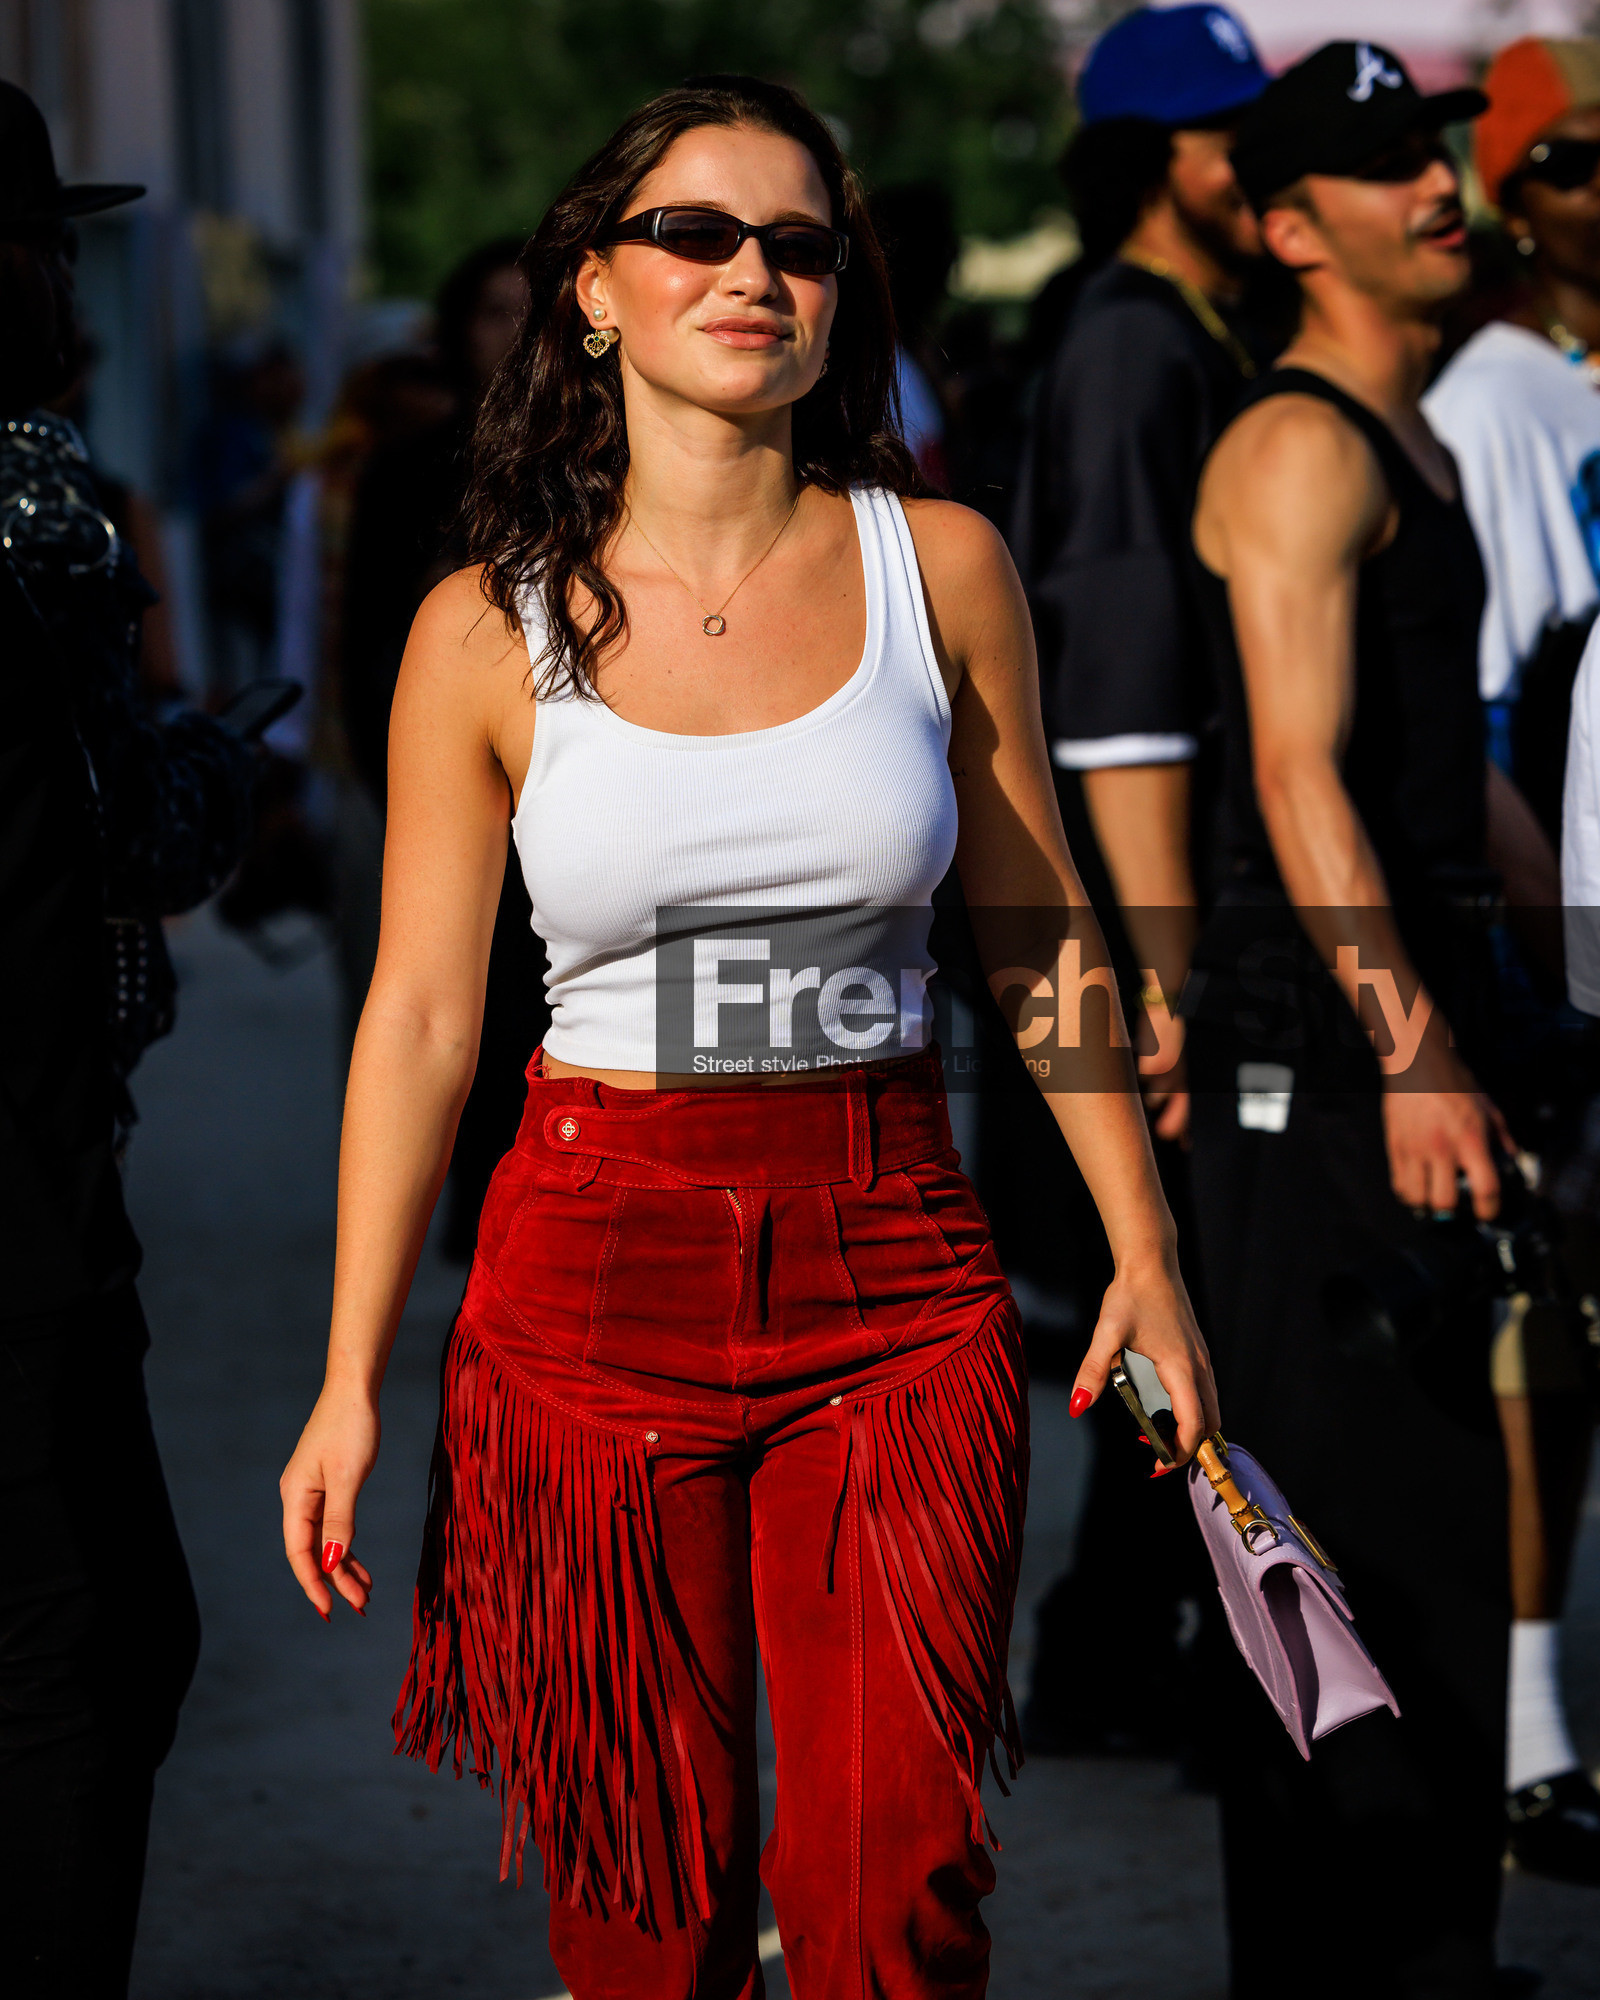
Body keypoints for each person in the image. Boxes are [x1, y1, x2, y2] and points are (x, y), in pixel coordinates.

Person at [278, 74, 1218, 1999]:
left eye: (800, 244)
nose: (752, 275)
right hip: (587, 1274)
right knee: (646, 1907)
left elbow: (1037, 929)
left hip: (893, 1265)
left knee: (899, 1887)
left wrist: (1147, 1247)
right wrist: (351, 1374)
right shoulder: (482, 627)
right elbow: (426, 1016)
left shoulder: (939, 567)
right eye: (695, 234)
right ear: (594, 289)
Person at [1185, 45, 1520, 1995]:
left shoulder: (1410, 439)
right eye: (1389, 166)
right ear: (1292, 229)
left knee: (1442, 1526)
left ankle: (1427, 1956)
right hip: (1311, 1055)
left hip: (1405, 1023)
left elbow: (1439, 768)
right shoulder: (1297, 446)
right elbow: (1297, 775)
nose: (1436, 187)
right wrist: (1409, 1050)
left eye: (1436, 153)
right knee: (1343, 1552)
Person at [0, 81, 256, 2000]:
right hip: (20, 1207)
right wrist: (216, 775)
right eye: (41, 246)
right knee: (81, 1653)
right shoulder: (32, 498)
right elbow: (119, 829)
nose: (68, 283)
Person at [1007, 0, 1268, 1757]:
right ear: (1159, 158)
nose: (1264, 167)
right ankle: (1121, 1652)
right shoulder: (1127, 343)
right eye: (1235, 135)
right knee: (1183, 1270)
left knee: (1186, 1285)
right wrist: (1160, 978)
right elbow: (1114, 697)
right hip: (1146, 912)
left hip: (1188, 904)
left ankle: (1117, 1646)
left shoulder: (1186, 324)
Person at [1422, 33, 1600, 1887]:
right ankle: (1530, 1734)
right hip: (1565, 918)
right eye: (1579, 161)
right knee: (1542, 1326)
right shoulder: (1491, 402)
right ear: (1518, 201)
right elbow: (1483, 732)